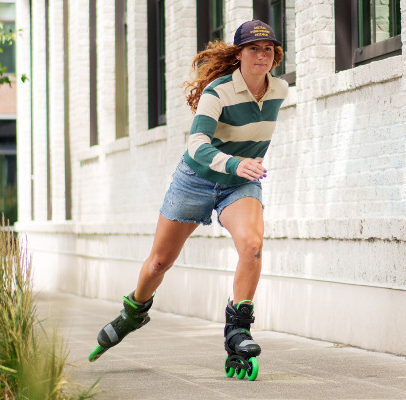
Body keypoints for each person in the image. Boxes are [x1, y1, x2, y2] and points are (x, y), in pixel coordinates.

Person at [89, 20, 288, 378]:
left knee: (253, 244)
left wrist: (241, 169)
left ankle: (238, 329)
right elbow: (196, 145)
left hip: (238, 184)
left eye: (268, 50)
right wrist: (236, 162)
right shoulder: (217, 92)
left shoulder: (280, 90)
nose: (262, 55)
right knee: (159, 263)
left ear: (275, 57)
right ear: (239, 54)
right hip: (195, 180)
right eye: (254, 49)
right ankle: (133, 312)